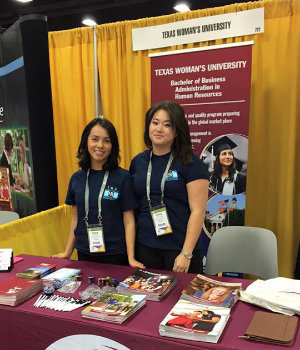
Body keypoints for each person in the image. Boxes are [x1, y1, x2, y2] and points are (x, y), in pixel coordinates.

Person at [52, 118, 144, 268]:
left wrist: (131, 257)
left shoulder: (123, 177)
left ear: (112, 146)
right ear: (86, 142)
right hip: (84, 252)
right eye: (95, 139)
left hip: (115, 254)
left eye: (106, 141)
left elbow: (129, 221)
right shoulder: (77, 178)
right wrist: (67, 252)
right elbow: (75, 219)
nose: (100, 145)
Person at [130, 101, 209, 273]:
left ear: (177, 130)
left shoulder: (191, 163)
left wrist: (186, 253)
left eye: (167, 125)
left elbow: (198, 211)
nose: (159, 129)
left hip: (179, 250)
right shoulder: (138, 162)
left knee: (178, 299)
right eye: (155, 122)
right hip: (145, 248)